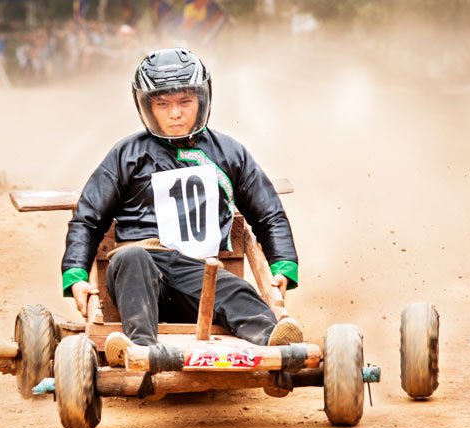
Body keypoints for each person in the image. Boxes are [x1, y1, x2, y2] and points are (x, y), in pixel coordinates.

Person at [62, 48, 303, 374]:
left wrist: (283, 265)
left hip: (201, 272)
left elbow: (268, 213)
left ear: (202, 101)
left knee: (239, 292)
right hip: (141, 275)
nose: (175, 113)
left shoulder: (229, 152)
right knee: (130, 258)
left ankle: (275, 344)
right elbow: (88, 218)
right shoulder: (127, 154)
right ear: (147, 106)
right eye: (163, 104)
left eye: (184, 102)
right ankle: (139, 349)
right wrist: (76, 274)